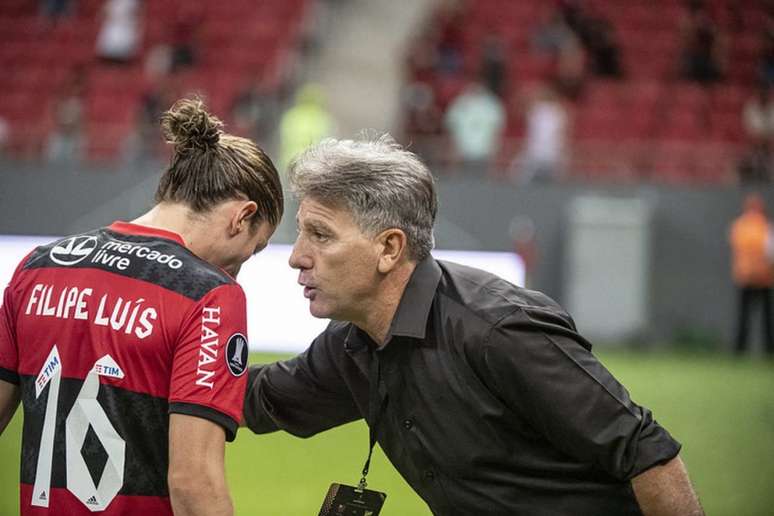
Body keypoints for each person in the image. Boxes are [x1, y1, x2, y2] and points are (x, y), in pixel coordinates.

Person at [243, 135, 704, 515]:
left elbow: (646, 452)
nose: (298, 257)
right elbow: (258, 398)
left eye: (320, 235)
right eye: (302, 233)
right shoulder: (351, 345)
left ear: (389, 249)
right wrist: (179, 330)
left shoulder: (496, 328)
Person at [0, 98, 284, 515]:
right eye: (251, 250)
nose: (238, 269)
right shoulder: (208, 295)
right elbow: (193, 481)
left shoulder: (40, 265)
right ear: (241, 217)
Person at [729, 193, 774, 357]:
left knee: (743, 317)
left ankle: (740, 350)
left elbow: (736, 247)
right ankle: (769, 349)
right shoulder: (766, 226)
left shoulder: (739, 225)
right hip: (764, 278)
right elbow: (771, 253)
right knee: (767, 319)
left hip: (745, 276)